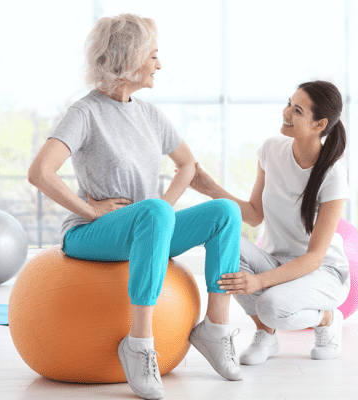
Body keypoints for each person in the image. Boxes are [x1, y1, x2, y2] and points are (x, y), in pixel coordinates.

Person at [27, 14, 243, 400]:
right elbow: (40, 172)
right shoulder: (85, 113)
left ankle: (215, 328)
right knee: (156, 213)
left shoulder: (149, 115)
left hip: (147, 228)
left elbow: (188, 164)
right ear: (130, 58)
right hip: (90, 235)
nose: (159, 65)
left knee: (225, 212)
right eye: (154, 56)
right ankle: (140, 342)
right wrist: (91, 210)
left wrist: (166, 205)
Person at [187, 80, 350, 365]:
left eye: (297, 111)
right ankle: (266, 334)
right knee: (225, 244)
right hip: (278, 261)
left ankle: (327, 318)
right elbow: (254, 214)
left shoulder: (333, 174)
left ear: (319, 124)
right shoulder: (271, 150)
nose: (286, 113)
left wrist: (259, 281)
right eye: (289, 104)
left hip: (322, 272)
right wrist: (210, 188)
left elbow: (313, 258)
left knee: (271, 305)